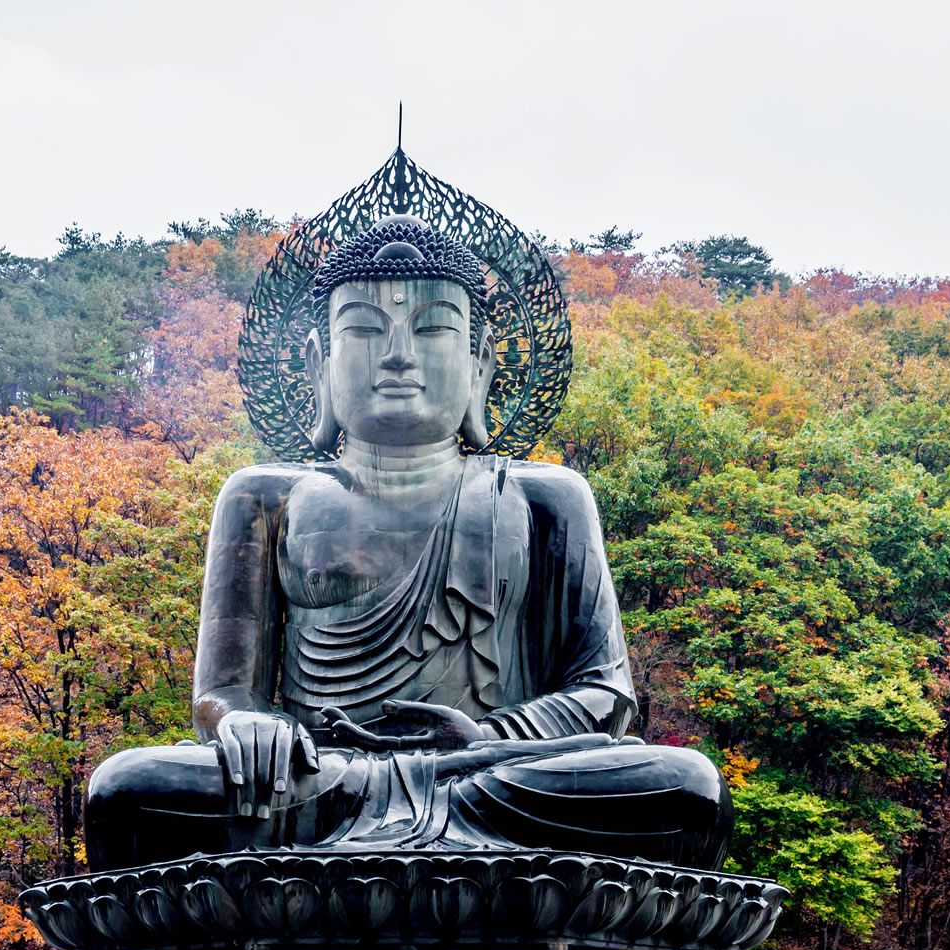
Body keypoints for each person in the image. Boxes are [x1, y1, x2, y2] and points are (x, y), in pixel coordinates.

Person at [86, 215, 731, 870]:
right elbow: (223, 692)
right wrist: (251, 726)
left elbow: (606, 694)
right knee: (124, 792)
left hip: (492, 774)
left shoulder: (547, 496)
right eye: (365, 327)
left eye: (432, 327)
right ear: (320, 363)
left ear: (480, 364)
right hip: (322, 778)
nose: (400, 353)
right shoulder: (263, 495)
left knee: (686, 789)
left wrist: (487, 737)